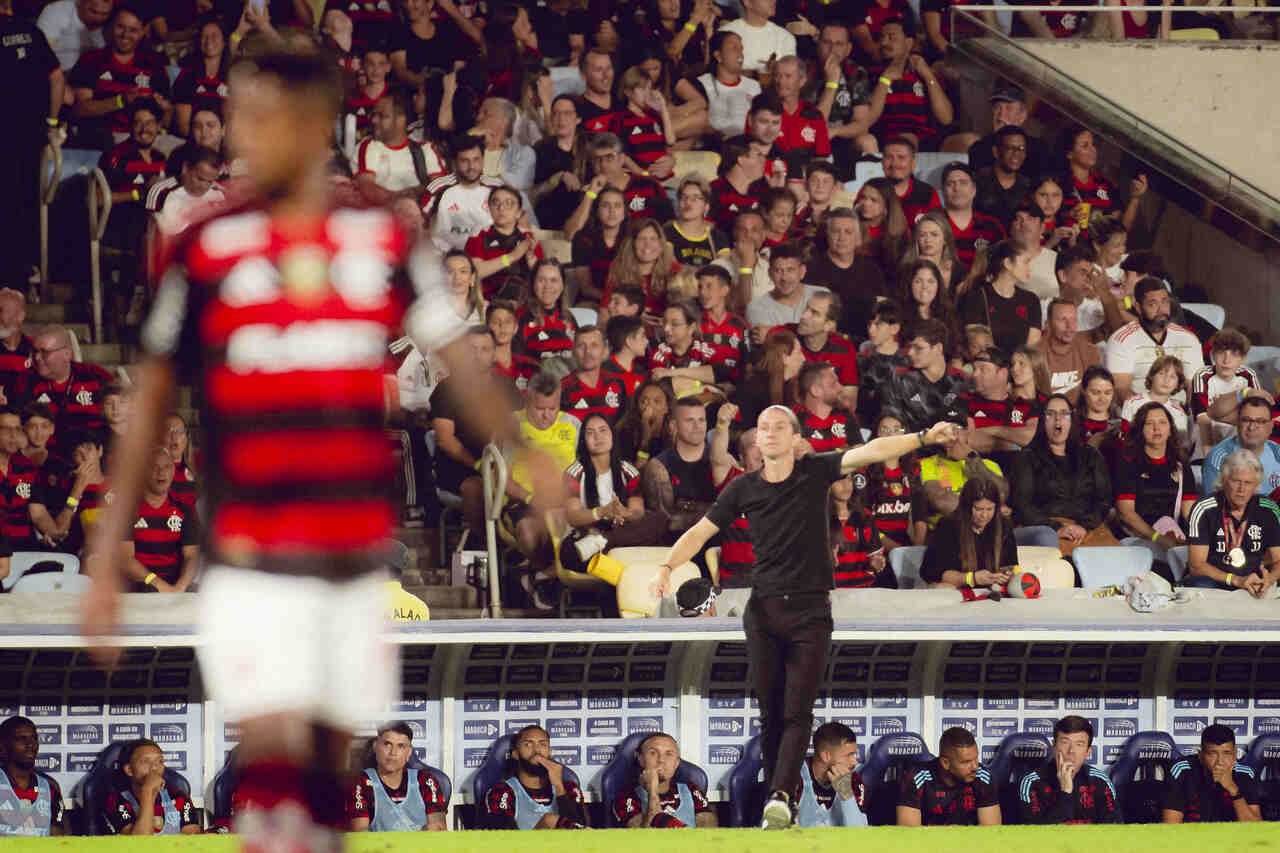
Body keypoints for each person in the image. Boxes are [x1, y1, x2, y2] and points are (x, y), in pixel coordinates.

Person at [83, 50, 531, 851]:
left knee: (327, 762)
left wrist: (527, 453)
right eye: (242, 115)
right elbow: (151, 395)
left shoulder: (380, 238)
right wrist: (108, 545)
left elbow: (460, 359)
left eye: (269, 117)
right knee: (270, 745)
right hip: (252, 548)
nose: (252, 134)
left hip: (354, 554)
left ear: (318, 123)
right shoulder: (206, 244)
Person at [655, 409, 956, 828]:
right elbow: (702, 531)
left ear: (797, 440)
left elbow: (870, 450)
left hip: (811, 610)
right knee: (771, 714)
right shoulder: (743, 487)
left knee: (798, 711)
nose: (770, 433)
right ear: (756, 441)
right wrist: (668, 566)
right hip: (762, 610)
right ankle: (780, 801)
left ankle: (779, 797)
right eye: (763, 428)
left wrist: (923, 435)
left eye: (780, 426)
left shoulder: (815, 470)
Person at [432, 326, 517, 539]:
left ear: (494, 353)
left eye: (484, 349)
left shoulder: (507, 387)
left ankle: (521, 553)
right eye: (471, 350)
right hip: (460, 466)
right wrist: (480, 466)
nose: (477, 356)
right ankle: (483, 551)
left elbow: (519, 428)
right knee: (476, 488)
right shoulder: (447, 389)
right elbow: (444, 439)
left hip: (503, 462)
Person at [505, 371, 581, 607]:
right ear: (528, 399)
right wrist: (530, 497)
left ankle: (540, 576)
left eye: (553, 408)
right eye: (540, 409)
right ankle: (543, 573)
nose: (547, 415)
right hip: (525, 501)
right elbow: (501, 477)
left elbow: (584, 470)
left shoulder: (573, 424)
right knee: (530, 534)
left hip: (566, 501)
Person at [1010, 394, 1115, 556]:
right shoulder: (1027, 457)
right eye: (1050, 414)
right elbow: (1022, 504)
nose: (1057, 420)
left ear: (1072, 420)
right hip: (1045, 529)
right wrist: (1057, 528)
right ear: (1042, 421)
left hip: (1087, 529)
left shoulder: (1090, 455)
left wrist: (1084, 526)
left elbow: (1104, 500)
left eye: (1064, 414)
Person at [561, 413, 667, 572]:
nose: (598, 437)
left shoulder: (628, 471)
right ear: (583, 441)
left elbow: (638, 512)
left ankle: (604, 541)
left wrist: (625, 513)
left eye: (603, 430)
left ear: (612, 436)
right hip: (586, 536)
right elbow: (573, 516)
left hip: (618, 535)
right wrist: (603, 512)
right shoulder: (574, 473)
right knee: (571, 553)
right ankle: (611, 559)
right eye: (590, 433)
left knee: (660, 519)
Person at [68, 6, 171, 148]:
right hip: (101, 137)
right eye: (120, 27)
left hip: (145, 137)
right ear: (111, 27)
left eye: (133, 30)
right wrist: (120, 101)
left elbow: (166, 120)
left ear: (142, 33)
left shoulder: (154, 64)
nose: (125, 34)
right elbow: (80, 109)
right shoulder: (91, 60)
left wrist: (164, 109)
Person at [1186, 449, 1280, 594]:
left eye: (1248, 483)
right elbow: (1196, 566)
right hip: (1217, 580)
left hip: (1254, 579)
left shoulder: (1268, 509)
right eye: (1236, 481)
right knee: (1201, 583)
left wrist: (1270, 579)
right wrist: (1236, 580)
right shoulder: (1204, 508)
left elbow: (1278, 559)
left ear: (1256, 486)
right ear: (1223, 480)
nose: (1241, 489)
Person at [642, 396, 736, 539]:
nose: (697, 427)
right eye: (689, 420)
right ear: (673, 426)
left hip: (718, 545)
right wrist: (711, 510)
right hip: (677, 547)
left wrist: (686, 507)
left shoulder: (723, 460)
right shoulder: (658, 467)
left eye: (701, 420)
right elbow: (664, 524)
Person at [1113, 401, 1197, 562]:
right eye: (1149, 423)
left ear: (1170, 429)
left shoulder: (1181, 466)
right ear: (1140, 430)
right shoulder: (1128, 463)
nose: (1156, 428)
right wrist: (1157, 538)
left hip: (1172, 536)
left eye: (1162, 423)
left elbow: (1189, 512)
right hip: (1137, 538)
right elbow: (1126, 513)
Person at [865, 18, 959, 153]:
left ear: (908, 43)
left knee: (967, 141)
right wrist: (885, 80)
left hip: (928, 141)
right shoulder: (871, 75)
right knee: (906, 139)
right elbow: (867, 120)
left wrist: (928, 76)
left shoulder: (925, 74)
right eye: (882, 37)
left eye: (891, 37)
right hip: (888, 140)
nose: (884, 43)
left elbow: (946, 118)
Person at [564, 133, 673, 238]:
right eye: (597, 159)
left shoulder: (648, 185)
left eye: (609, 157)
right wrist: (590, 195)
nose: (603, 164)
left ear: (621, 159)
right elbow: (571, 234)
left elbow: (669, 226)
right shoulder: (590, 191)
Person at [911, 414, 1006, 533]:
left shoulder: (987, 464)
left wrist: (973, 460)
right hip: (949, 533)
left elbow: (1001, 494)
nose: (953, 435)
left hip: (989, 533)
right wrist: (985, 513)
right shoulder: (926, 465)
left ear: (967, 433)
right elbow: (942, 502)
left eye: (959, 429)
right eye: (948, 430)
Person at [354, 89, 447, 209]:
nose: (374, 120)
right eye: (374, 114)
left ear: (400, 120)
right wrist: (407, 198)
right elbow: (367, 188)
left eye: (382, 116)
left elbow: (439, 188)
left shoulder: (426, 150)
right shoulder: (368, 147)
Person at [123, 446, 198, 593]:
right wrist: (159, 585)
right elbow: (126, 560)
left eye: (167, 467)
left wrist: (180, 587)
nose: (161, 472)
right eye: (154, 467)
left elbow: (191, 557)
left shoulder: (184, 510)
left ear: (174, 471)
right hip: (141, 584)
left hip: (175, 585)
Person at [483, 724, 588, 829]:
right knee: (549, 820)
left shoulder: (569, 788)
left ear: (550, 753)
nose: (537, 750)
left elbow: (581, 832)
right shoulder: (502, 791)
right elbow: (505, 840)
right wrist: (546, 824)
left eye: (542, 744)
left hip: (567, 845)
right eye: (528, 745)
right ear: (515, 754)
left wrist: (559, 787)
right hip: (525, 845)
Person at [348, 721, 447, 832]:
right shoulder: (361, 781)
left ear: (409, 753)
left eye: (401, 746)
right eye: (387, 744)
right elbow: (361, 834)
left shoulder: (426, 781)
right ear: (375, 747)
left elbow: (439, 829)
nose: (393, 752)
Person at [1018, 716, 1119, 824]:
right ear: (1054, 746)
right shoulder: (1032, 782)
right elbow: (1037, 837)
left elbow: (1115, 831)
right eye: (1065, 742)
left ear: (1088, 752)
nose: (1071, 751)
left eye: (1079, 744)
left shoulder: (1100, 781)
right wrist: (1065, 791)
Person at [920, 477, 1015, 590]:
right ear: (966, 506)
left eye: (990, 509)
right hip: (958, 591)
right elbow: (931, 573)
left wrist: (1007, 575)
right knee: (942, 588)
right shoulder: (948, 525)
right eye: (978, 509)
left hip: (992, 589)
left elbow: (1011, 565)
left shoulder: (1003, 525)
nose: (984, 516)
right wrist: (971, 578)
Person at [804, 208, 888, 335]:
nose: (842, 237)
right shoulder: (812, 269)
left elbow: (883, 310)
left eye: (848, 232)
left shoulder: (871, 268)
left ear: (857, 237)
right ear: (827, 234)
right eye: (836, 231)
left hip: (867, 339)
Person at [880, 318, 972, 432]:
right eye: (910, 347)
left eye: (918, 348)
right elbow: (891, 422)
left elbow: (967, 424)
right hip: (911, 444)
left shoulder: (962, 380)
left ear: (938, 348)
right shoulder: (900, 379)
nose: (910, 353)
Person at [898, 726, 1000, 825]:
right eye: (966, 762)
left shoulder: (983, 778)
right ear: (945, 763)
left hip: (969, 841)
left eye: (976, 759)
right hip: (928, 841)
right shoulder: (917, 779)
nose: (975, 767)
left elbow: (991, 833)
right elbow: (910, 837)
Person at [612, 732, 716, 828]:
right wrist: (652, 792)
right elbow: (644, 838)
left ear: (676, 763)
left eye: (669, 754)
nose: (661, 760)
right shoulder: (627, 796)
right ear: (640, 759)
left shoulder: (691, 790)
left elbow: (708, 834)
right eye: (653, 753)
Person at [1163, 724, 1262, 823]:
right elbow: (1171, 827)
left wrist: (1232, 788)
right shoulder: (1182, 770)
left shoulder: (1244, 774)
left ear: (1235, 754)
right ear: (1201, 755)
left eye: (1226, 753)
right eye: (1212, 754)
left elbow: (1256, 829)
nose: (1220, 761)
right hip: (1192, 837)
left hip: (1231, 837)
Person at [1057, 126, 1145, 235]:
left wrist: (1135, 198)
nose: (1093, 150)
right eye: (1085, 145)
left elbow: (1121, 230)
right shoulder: (1059, 184)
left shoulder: (1105, 184)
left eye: (1093, 144)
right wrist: (1069, 215)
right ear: (1069, 154)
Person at [102, 738, 200, 835]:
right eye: (145, 762)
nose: (154, 767)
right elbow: (138, 844)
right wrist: (147, 791)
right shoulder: (117, 801)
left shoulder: (179, 797)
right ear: (129, 770)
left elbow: (191, 841)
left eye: (160, 761)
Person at [962, 347, 1038, 471]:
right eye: (975, 369)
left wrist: (994, 431)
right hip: (981, 469)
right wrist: (1011, 444)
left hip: (1020, 469)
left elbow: (1030, 436)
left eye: (983, 369)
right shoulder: (966, 403)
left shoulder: (1022, 405)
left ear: (1002, 373)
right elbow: (970, 439)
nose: (975, 374)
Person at [959, 240, 1041, 355]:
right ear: (1007, 263)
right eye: (1026, 262)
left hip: (1019, 368)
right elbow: (977, 346)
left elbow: (1032, 349)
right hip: (988, 367)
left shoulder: (1031, 300)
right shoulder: (976, 296)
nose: (1030, 268)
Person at [465, 185, 545, 300]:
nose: (501, 208)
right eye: (496, 203)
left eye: (509, 203)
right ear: (489, 209)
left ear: (518, 213)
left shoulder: (528, 238)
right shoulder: (478, 236)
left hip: (524, 301)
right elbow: (473, 273)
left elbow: (542, 278)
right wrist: (511, 257)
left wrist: (532, 261)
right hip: (490, 302)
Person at [425, 134, 503, 252]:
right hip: (447, 257)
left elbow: (517, 222)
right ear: (454, 163)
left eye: (476, 159)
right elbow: (419, 223)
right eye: (464, 161)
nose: (471, 167)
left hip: (489, 255)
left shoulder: (497, 187)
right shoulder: (438, 188)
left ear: (483, 160)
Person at [1191, 328, 1262, 453]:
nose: (1226, 360)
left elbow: (1256, 414)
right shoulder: (1203, 375)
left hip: (1237, 432)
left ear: (1243, 359)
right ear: (1213, 355)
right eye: (1221, 353)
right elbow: (1202, 418)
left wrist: (1217, 414)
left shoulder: (1248, 374)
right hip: (1206, 434)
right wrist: (1209, 456)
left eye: (1234, 355)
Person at [1201, 396, 1280, 500]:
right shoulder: (1218, 457)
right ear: (1237, 423)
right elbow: (1213, 509)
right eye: (1246, 420)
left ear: (1271, 426)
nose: (1252, 427)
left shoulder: (1277, 452)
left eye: (1260, 421)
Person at [790, 722, 867, 827]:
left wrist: (847, 795)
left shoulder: (853, 780)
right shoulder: (794, 776)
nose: (854, 762)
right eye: (849, 755)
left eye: (854, 755)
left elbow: (860, 836)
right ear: (826, 756)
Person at [747, 242, 828, 332]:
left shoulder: (822, 295)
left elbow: (830, 336)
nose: (784, 278)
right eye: (778, 271)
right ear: (769, 273)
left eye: (790, 270)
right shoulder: (757, 308)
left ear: (802, 271)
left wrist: (774, 331)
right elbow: (774, 344)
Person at [531, 95, 582, 230]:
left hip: (581, 226)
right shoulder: (541, 149)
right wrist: (557, 178)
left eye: (567, 113)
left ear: (578, 118)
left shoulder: (588, 147)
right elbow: (531, 194)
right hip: (548, 224)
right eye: (556, 113)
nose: (561, 119)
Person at [649, 301, 727, 390]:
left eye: (674, 324)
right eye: (664, 322)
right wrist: (704, 384)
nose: (666, 329)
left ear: (691, 328)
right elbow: (667, 387)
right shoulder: (659, 353)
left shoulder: (705, 350)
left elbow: (721, 377)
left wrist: (671, 373)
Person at [941, 162, 1006, 268]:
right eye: (950, 183)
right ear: (943, 191)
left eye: (963, 183)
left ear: (974, 190)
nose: (957, 188)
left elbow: (1001, 265)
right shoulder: (932, 224)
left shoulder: (992, 226)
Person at [570, 186, 626, 303]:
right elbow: (586, 288)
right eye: (605, 205)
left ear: (624, 212)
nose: (612, 211)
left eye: (617, 205)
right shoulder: (583, 239)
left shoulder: (632, 237)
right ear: (597, 210)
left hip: (626, 302)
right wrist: (611, 301)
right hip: (593, 301)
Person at [695, 265, 750, 385]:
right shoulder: (694, 323)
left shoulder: (740, 325)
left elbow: (747, 364)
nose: (703, 292)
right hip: (700, 386)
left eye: (709, 286)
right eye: (700, 287)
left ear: (724, 290)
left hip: (734, 388)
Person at [562, 326, 629, 422]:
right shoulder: (563, 389)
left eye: (594, 345)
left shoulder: (617, 383)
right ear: (573, 352)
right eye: (581, 346)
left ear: (605, 351)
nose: (587, 351)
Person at [1041, 297, 1101, 404]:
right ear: (1048, 324)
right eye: (1063, 320)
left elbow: (1095, 394)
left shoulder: (1089, 352)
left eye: (1073, 320)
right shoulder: (1036, 354)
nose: (1070, 326)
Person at [856, 300, 906, 425]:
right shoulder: (862, 359)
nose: (871, 330)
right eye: (869, 324)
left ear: (894, 328)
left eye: (878, 325)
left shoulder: (908, 361)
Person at [516, 260, 576, 362]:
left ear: (562, 286)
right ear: (533, 284)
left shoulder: (569, 320)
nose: (547, 286)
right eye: (541, 280)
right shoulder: (520, 318)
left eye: (553, 280)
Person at [975, 126, 1033, 228]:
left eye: (1021, 149)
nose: (1016, 154)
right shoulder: (977, 181)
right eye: (1010, 148)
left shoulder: (1028, 185)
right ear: (996, 152)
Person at [665, 176, 730, 268]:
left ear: (706, 206)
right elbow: (670, 268)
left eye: (695, 198)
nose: (688, 202)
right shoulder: (667, 232)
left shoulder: (717, 237)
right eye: (683, 197)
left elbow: (722, 272)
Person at [717, 0, 795, 74]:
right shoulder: (725, 33)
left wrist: (778, 69)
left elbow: (790, 79)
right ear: (747, 2)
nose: (774, 0)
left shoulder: (785, 37)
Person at [1119, 356, 1189, 439]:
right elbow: (1124, 438)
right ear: (1152, 376)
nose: (1166, 380)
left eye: (1172, 377)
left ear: (1178, 383)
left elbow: (1181, 444)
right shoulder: (1132, 403)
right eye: (1161, 373)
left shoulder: (1178, 412)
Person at [708, 136, 767, 233]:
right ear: (741, 159)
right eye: (759, 154)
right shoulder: (713, 192)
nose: (764, 159)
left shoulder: (762, 191)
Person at [881, 136, 941, 226]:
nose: (894, 164)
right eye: (889, 157)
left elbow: (938, 228)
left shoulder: (927, 193)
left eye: (901, 157)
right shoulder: (872, 191)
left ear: (913, 164)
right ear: (882, 163)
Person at [794, 362, 853, 453]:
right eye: (833, 384)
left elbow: (860, 449)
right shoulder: (794, 420)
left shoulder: (845, 415)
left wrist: (816, 453)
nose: (841, 388)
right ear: (816, 391)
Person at [614, 377, 673, 467]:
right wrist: (646, 439)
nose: (649, 406)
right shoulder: (625, 433)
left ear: (666, 408)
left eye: (657, 401)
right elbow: (635, 473)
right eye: (644, 401)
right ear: (637, 405)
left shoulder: (673, 433)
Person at [38, 0, 110, 71]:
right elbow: (41, 54)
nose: (98, 19)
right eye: (94, 12)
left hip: (86, 74)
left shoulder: (110, 21)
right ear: (79, 2)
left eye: (104, 14)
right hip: (53, 73)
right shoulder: (57, 11)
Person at [489, 301, 540, 393]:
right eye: (496, 322)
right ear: (487, 327)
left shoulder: (531, 366)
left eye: (507, 322)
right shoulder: (481, 369)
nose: (502, 326)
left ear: (515, 328)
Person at [604, 315, 649, 394]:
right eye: (642, 336)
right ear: (629, 341)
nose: (647, 341)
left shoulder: (641, 372)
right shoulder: (604, 373)